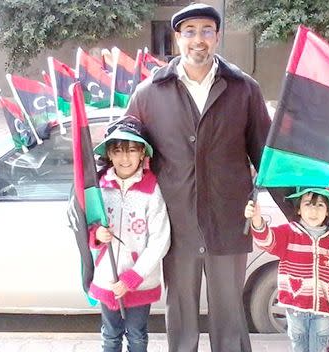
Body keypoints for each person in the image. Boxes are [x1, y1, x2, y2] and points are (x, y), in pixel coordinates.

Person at [125, 3, 273, 351]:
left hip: (228, 222)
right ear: (177, 38)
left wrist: (301, 208)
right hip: (175, 227)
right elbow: (127, 153)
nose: (198, 40)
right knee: (180, 320)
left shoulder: (243, 89)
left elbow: (266, 155)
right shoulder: (149, 93)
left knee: (230, 323)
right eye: (189, 32)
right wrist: (100, 201)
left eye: (207, 31)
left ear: (217, 36)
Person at [88, 115, 171, 352]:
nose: (125, 158)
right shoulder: (99, 188)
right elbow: (86, 227)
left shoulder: (152, 189)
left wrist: (133, 277)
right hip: (108, 277)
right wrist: (97, 235)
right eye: (118, 151)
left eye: (132, 150)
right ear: (110, 154)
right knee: (110, 335)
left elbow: (160, 239)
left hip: (140, 281)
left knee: (136, 335)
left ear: (143, 153)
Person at [244, 187, 329, 352]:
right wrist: (256, 219)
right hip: (295, 311)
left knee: (320, 347)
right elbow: (267, 241)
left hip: (325, 313)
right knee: (299, 347)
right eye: (307, 204)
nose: (313, 210)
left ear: (328, 211)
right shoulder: (289, 233)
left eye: (320, 205)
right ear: (298, 208)